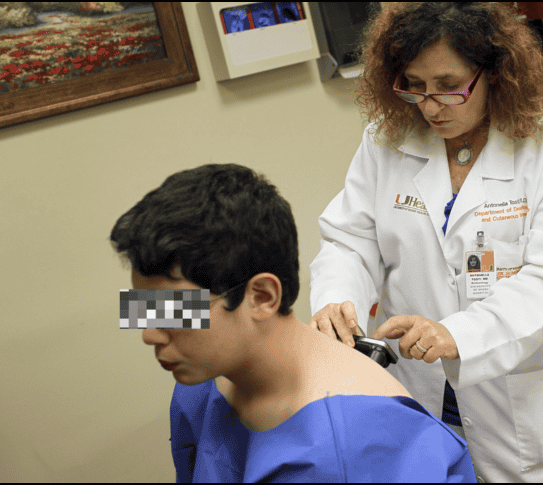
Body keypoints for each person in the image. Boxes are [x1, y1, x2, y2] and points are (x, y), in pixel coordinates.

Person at [308, 3, 543, 482]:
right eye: (414, 85)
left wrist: (459, 334)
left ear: (494, 72)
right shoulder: (386, 140)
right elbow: (351, 239)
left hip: (519, 404)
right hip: (418, 391)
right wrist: (337, 300)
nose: (430, 105)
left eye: (449, 86)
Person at [110, 164, 476, 482]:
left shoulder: (362, 444)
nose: (148, 334)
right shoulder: (200, 382)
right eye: (144, 308)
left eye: (174, 311)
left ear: (262, 297)